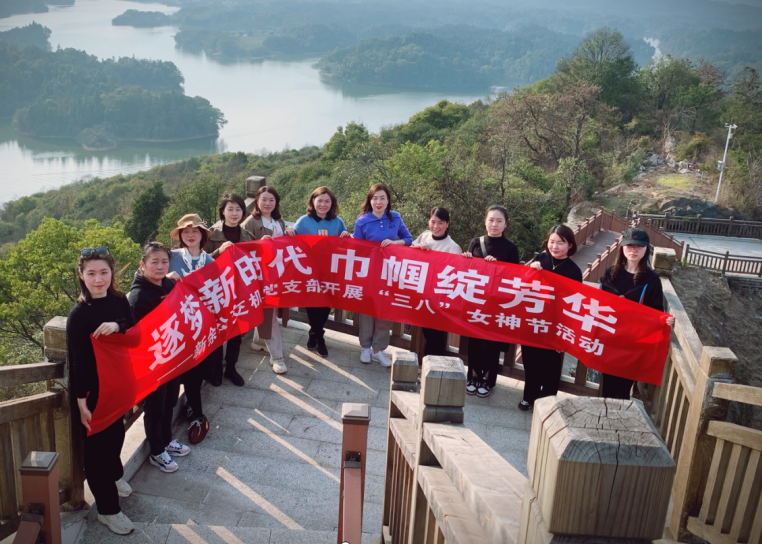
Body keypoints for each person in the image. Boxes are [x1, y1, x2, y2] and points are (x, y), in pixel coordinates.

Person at [67, 246, 136, 535]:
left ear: (112, 273)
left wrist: (117, 325)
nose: (98, 279)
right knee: (96, 452)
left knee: (117, 433)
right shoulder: (79, 314)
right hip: (92, 392)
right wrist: (82, 402)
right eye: (91, 273)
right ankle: (108, 511)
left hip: (118, 383)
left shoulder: (119, 300)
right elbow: (78, 361)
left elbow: (133, 328)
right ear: (82, 275)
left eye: (104, 272)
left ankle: (115, 474)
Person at [128, 242, 190, 474]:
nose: (160, 266)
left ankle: (166, 440)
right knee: (154, 407)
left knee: (170, 400)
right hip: (152, 363)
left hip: (171, 356)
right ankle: (156, 452)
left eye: (164, 261)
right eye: (154, 262)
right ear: (142, 265)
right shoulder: (138, 298)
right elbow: (136, 338)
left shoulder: (166, 283)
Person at [599, 227, 675, 399]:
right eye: (629, 245)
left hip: (632, 346)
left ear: (646, 248)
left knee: (622, 391)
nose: (633, 250)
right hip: (610, 340)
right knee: (607, 386)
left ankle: (618, 423)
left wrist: (665, 320)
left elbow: (655, 313)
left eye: (638, 246)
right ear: (622, 247)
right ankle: (603, 423)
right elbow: (599, 304)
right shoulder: (610, 273)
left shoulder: (651, 280)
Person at [518, 225, 583, 411]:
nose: (555, 246)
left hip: (556, 325)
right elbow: (521, 282)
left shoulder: (574, 271)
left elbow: (574, 305)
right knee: (530, 362)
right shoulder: (540, 259)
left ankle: (547, 403)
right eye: (551, 242)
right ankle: (528, 396)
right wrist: (530, 268)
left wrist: (565, 334)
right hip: (533, 321)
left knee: (551, 366)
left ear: (570, 245)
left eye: (560, 243)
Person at [352, 183, 413, 367]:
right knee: (367, 311)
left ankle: (378, 349)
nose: (378, 202)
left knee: (385, 311)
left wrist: (396, 243)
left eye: (382, 198)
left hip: (391, 273)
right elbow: (356, 248)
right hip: (369, 273)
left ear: (388, 200)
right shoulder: (362, 221)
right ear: (370, 200)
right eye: (375, 198)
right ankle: (365, 347)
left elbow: (408, 239)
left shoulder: (395, 217)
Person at [463, 205, 520, 398]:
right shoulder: (476, 242)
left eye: (499, 221)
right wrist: (466, 258)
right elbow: (467, 272)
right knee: (475, 341)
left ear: (506, 224)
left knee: (491, 343)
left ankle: (488, 378)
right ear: (485, 221)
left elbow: (514, 277)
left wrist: (498, 267)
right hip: (477, 301)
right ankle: (472, 375)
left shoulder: (511, 248)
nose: (494, 224)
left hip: (497, 304)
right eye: (491, 220)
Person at [167, 214, 214, 444]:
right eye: (186, 232)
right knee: (177, 371)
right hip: (173, 325)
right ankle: (192, 411)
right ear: (181, 236)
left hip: (199, 327)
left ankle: (198, 414)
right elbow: (144, 276)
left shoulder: (210, 262)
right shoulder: (170, 257)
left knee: (195, 370)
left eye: (195, 231)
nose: (191, 235)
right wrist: (166, 278)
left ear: (203, 235)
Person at [241, 186, 295, 374]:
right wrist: (259, 243)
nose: (267, 203)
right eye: (264, 199)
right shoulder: (251, 222)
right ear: (257, 201)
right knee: (270, 316)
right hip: (260, 277)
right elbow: (243, 248)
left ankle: (257, 342)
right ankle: (277, 357)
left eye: (271, 200)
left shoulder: (277, 220)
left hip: (276, 274)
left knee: (269, 313)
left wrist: (288, 229)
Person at [205, 193, 256, 386]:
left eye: (238, 209)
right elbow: (202, 261)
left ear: (243, 212)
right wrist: (219, 252)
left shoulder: (247, 236)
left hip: (238, 291)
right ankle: (216, 369)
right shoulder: (211, 234)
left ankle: (231, 368)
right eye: (230, 209)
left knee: (236, 331)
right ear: (223, 212)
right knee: (218, 332)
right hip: (217, 291)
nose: (234, 213)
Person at [293, 186, 351, 357]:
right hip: (309, 272)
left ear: (332, 203)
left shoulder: (337, 221)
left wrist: (347, 236)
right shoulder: (304, 221)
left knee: (325, 305)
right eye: (319, 201)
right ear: (313, 201)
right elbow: (289, 241)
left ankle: (314, 333)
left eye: (327, 201)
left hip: (330, 272)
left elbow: (346, 242)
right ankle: (320, 337)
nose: (323, 204)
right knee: (312, 306)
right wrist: (289, 232)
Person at [411, 207, 462, 357]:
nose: (436, 226)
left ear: (447, 224)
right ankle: (427, 367)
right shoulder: (424, 236)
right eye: (433, 222)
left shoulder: (452, 247)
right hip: (422, 295)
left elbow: (456, 275)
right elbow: (407, 256)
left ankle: (433, 368)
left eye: (440, 222)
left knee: (436, 337)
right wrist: (416, 248)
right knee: (426, 332)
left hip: (440, 299)